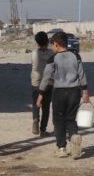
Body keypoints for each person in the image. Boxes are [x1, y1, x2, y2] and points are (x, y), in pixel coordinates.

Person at [36, 31, 89, 159]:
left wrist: (40, 93)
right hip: (74, 92)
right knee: (71, 119)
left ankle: (62, 148)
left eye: (52, 45)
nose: (51, 48)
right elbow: (81, 74)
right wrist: (85, 91)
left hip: (59, 92)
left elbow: (46, 77)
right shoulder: (76, 56)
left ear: (56, 44)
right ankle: (74, 140)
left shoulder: (53, 58)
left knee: (58, 120)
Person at [31, 31, 53, 137]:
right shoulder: (51, 53)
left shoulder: (34, 53)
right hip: (49, 82)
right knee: (46, 107)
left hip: (36, 82)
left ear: (36, 42)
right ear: (47, 41)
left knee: (36, 104)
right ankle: (43, 130)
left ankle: (35, 119)